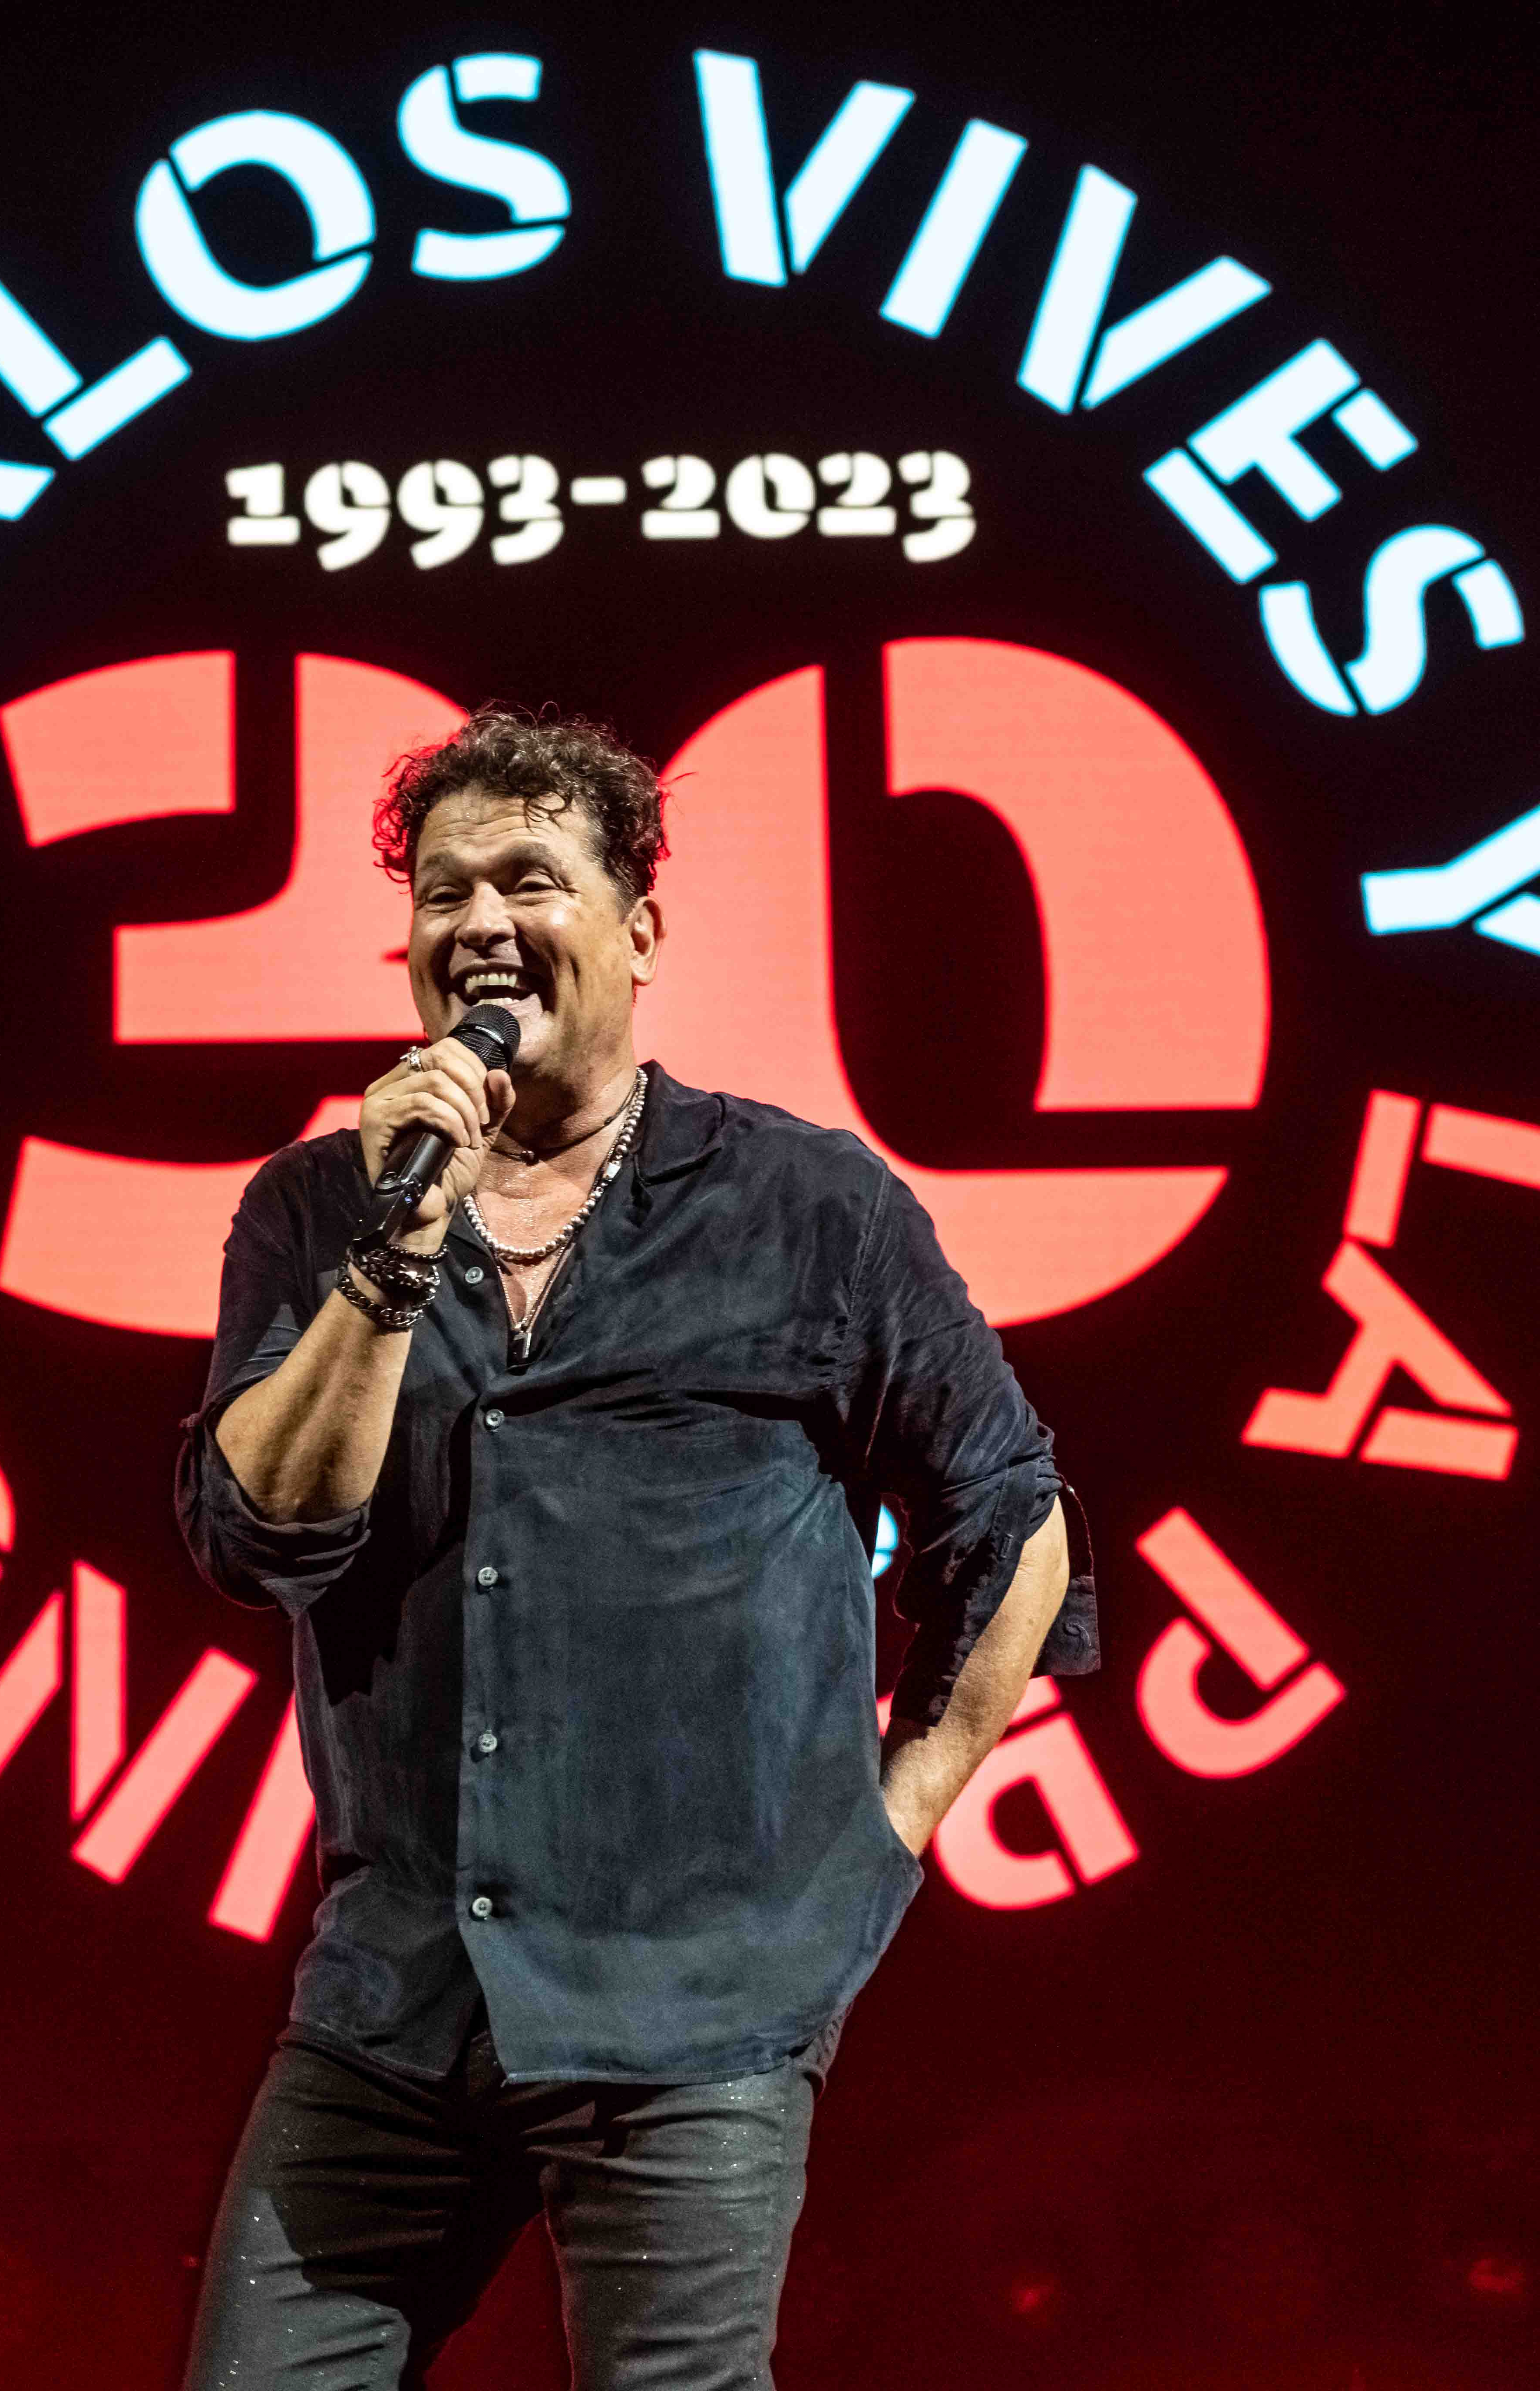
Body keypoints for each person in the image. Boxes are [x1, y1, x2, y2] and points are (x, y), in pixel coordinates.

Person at [175, 705, 1096, 2389]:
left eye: (528, 879)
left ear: (640, 929)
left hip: (695, 2009)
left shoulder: (808, 1206)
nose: (479, 923)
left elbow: (1008, 1510)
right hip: (398, 1997)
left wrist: (880, 1835)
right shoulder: (319, 1208)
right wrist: (395, 1249)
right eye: (442, 893)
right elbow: (265, 1533)